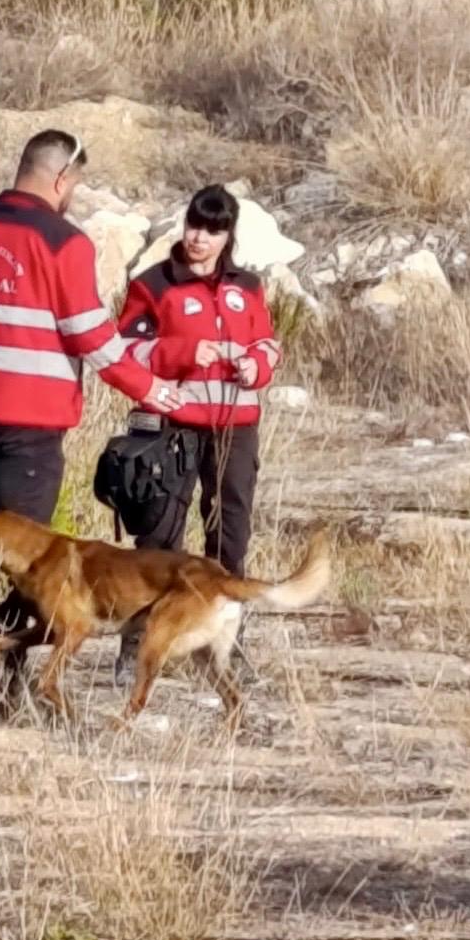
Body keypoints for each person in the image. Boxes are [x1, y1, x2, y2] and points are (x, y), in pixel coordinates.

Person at [0, 128, 181, 705]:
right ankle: (1, 686)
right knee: (24, 552)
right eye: (76, 185)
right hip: (27, 421)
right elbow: (91, 334)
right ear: (61, 178)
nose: (73, 196)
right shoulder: (64, 241)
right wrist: (152, 389)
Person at [113, 184, 283, 685]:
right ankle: (137, 647)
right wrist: (182, 356)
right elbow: (123, 351)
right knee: (158, 537)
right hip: (170, 427)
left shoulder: (248, 285)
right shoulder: (153, 284)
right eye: (193, 225)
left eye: (212, 230)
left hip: (236, 426)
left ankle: (226, 644)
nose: (199, 238)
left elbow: (267, 343)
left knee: (230, 533)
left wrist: (256, 366)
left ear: (228, 235)